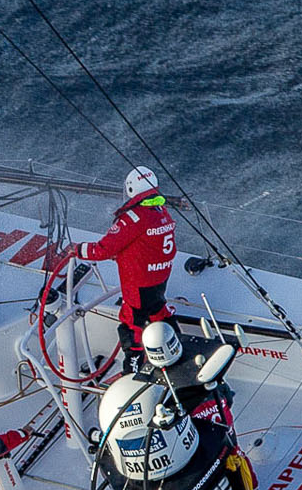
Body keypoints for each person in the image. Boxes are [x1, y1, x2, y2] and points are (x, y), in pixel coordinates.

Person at [78, 166, 178, 371]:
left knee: (132, 324)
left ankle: (132, 370)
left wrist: (77, 250)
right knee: (159, 311)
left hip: (139, 283)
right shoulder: (161, 210)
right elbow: (146, 245)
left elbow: (102, 250)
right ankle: (177, 349)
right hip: (160, 278)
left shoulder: (132, 218)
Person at [139, 320, 233, 427]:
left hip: (212, 432)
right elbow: (228, 398)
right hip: (225, 429)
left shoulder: (185, 403)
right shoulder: (218, 388)